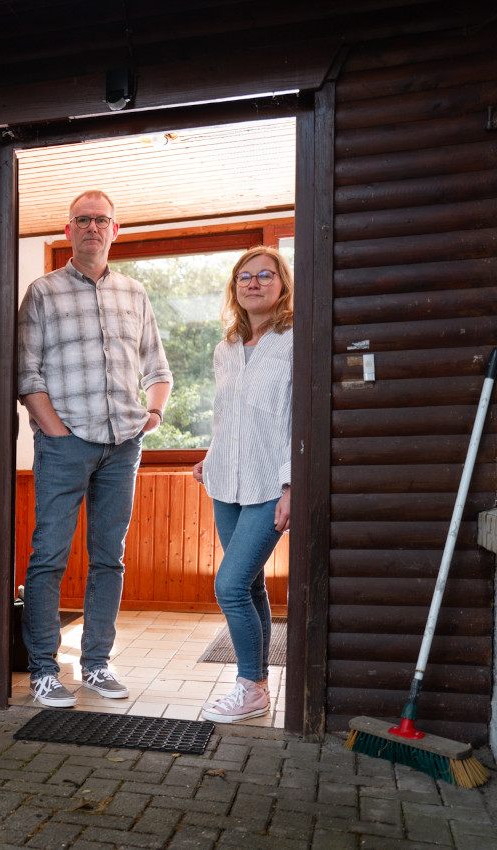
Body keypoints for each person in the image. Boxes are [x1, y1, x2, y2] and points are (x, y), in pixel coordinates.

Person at [17, 190, 172, 708]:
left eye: (100, 220)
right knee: (48, 558)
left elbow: (158, 369)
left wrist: (151, 415)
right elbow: (26, 373)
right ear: (67, 231)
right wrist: (56, 432)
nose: (91, 228)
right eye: (81, 220)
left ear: (114, 230)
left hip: (122, 447)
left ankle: (98, 665)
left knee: (110, 559)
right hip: (65, 446)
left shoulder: (135, 293)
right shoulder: (42, 292)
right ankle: (43, 669)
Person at [193, 246, 293, 724]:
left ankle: (249, 685)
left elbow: (295, 418)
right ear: (235, 288)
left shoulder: (295, 341)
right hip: (226, 483)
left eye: (265, 275)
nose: (254, 283)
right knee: (250, 585)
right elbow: (227, 417)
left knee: (229, 585)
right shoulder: (226, 347)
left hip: (272, 483)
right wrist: (210, 459)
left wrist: (295, 485)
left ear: (282, 284)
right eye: (244, 277)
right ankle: (259, 689)